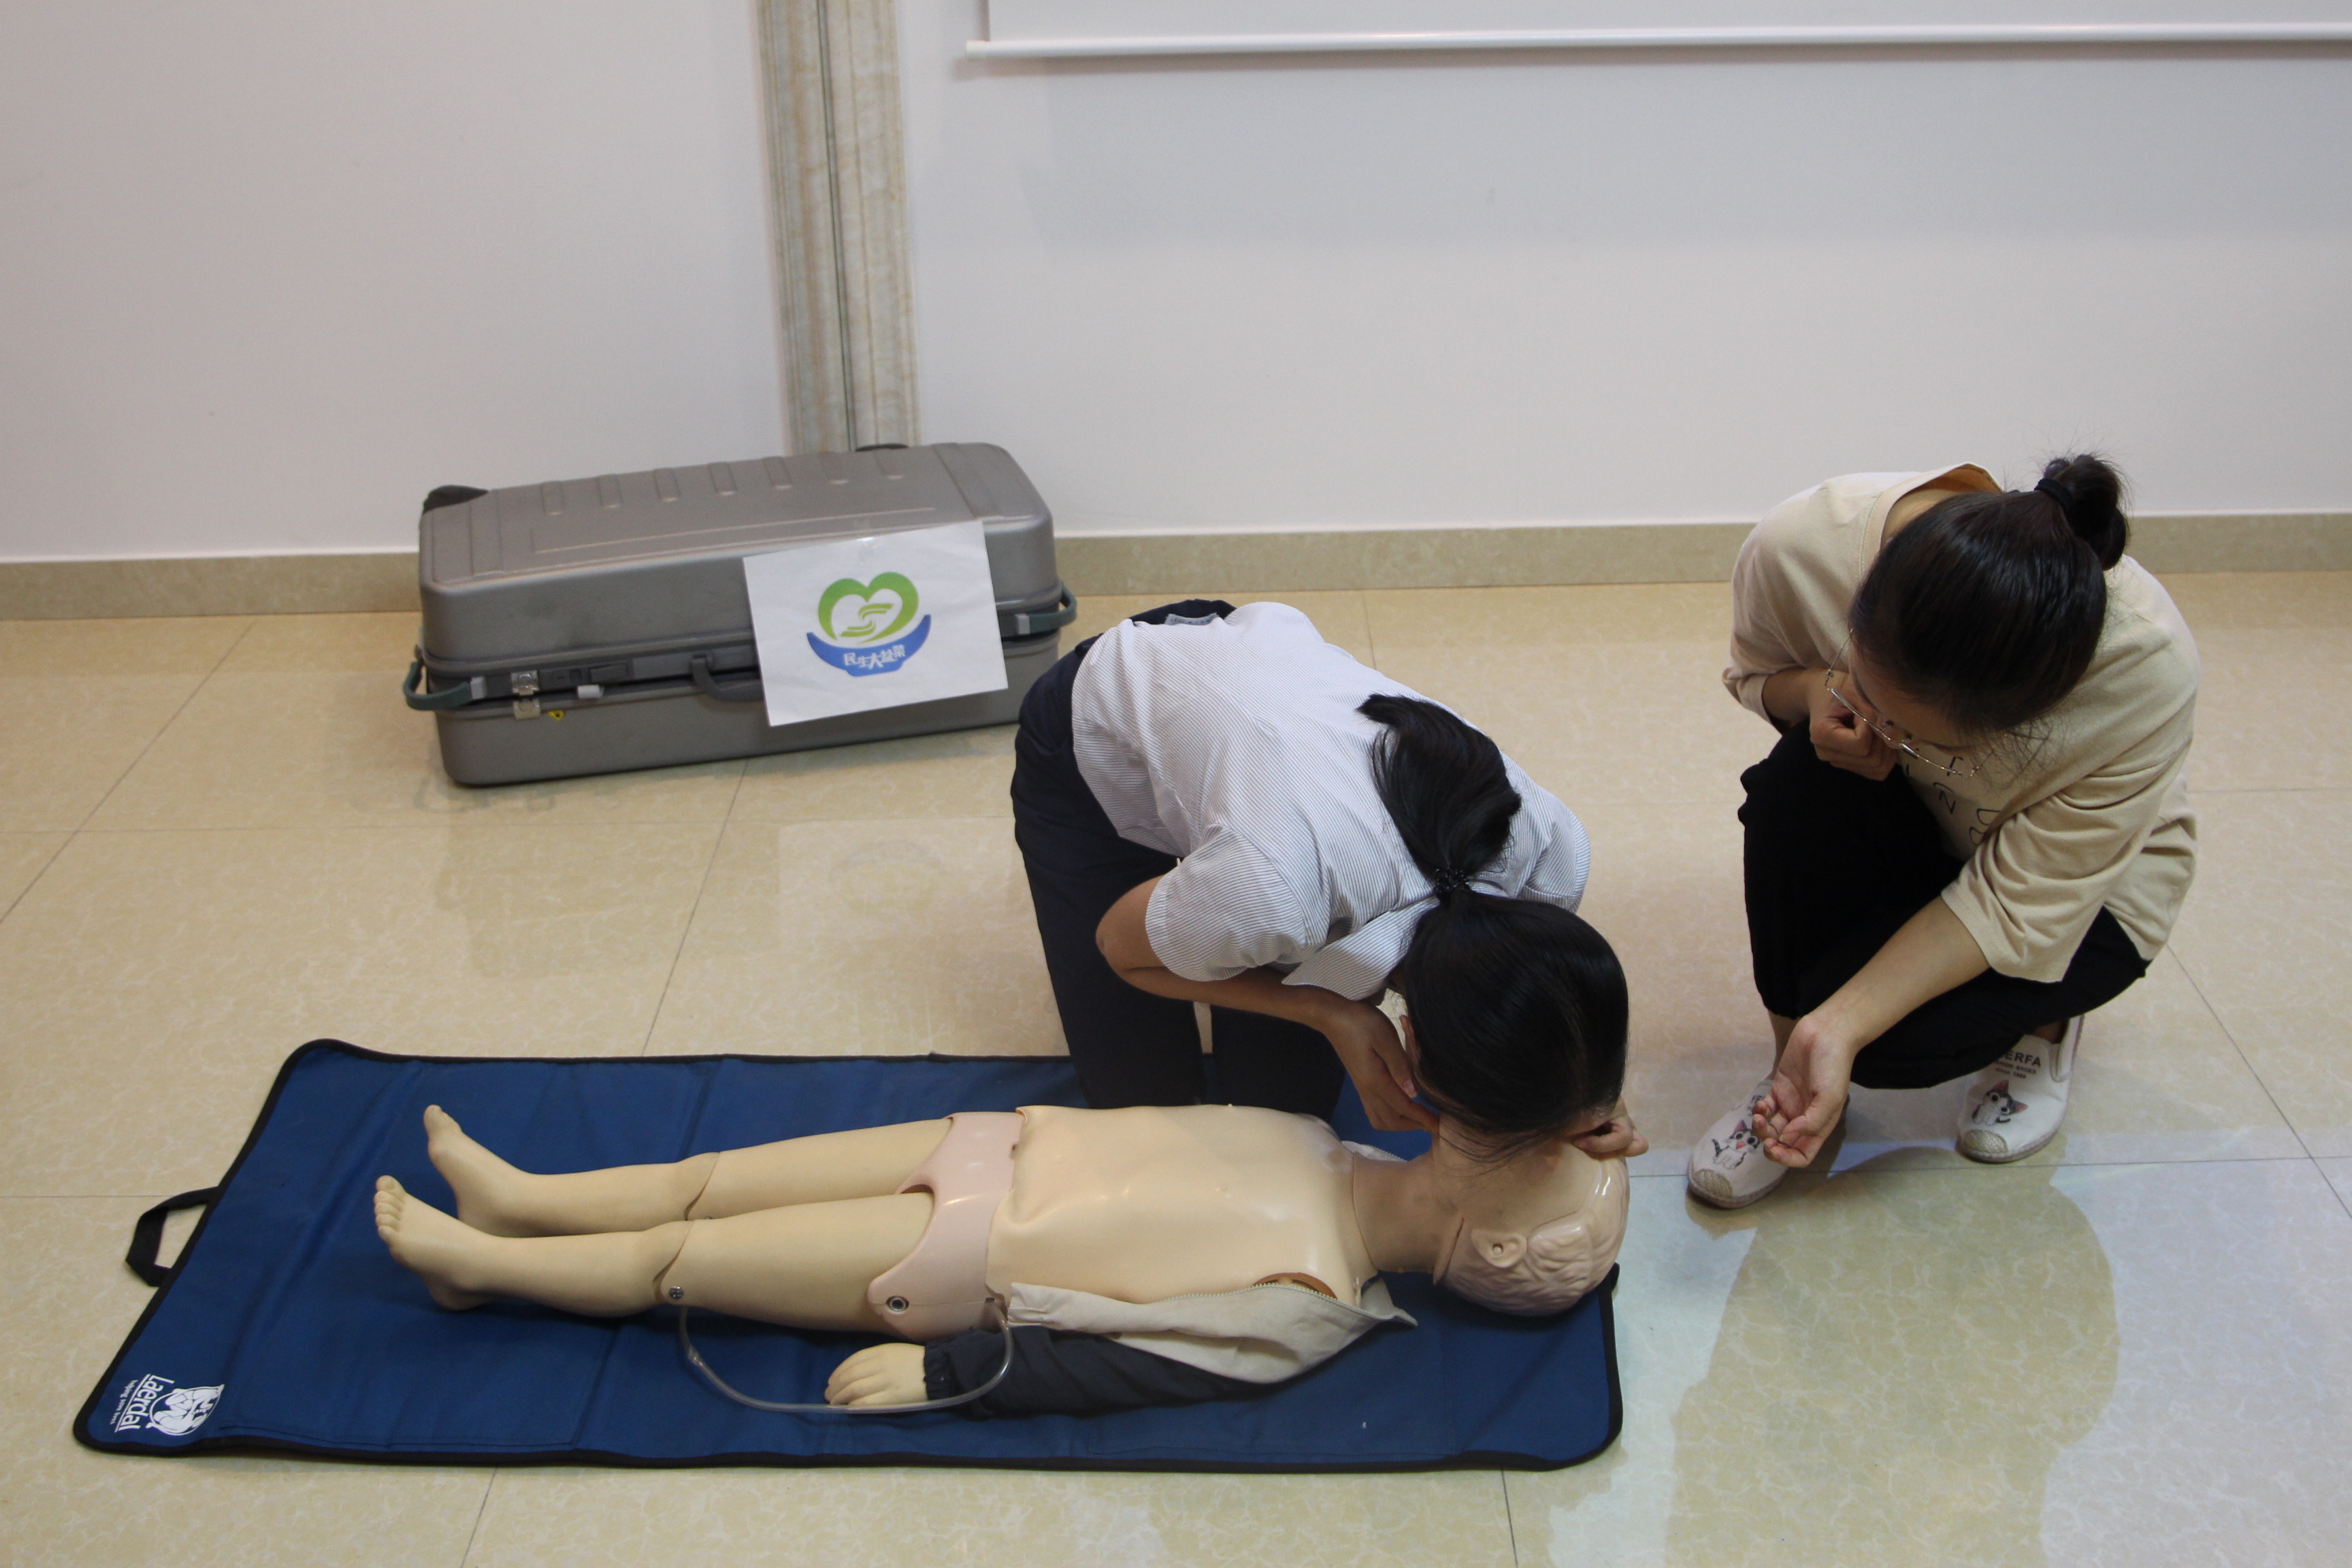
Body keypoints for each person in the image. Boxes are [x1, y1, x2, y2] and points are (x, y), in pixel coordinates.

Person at [371, 1092, 1630, 1418]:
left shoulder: (1310, 1303)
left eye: (1542, 1157)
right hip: (999, 1141)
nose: (1536, 1126)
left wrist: (949, 1373)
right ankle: (523, 1199)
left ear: (1493, 1238)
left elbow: (1131, 1364)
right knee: (713, 1176)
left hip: (963, 1248)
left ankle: (480, 1267)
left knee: (679, 1256)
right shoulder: (1337, 1133)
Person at [1688, 455, 2199, 1209]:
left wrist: (1845, 1025)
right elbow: (1754, 675)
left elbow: (2015, 901)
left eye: (1926, 738)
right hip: (1923, 823)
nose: (1892, 735)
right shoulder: (1802, 550)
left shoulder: (2143, 667)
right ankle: (1791, 1072)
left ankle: (2046, 1028)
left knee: (1890, 1049)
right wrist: (1818, 692)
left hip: (2081, 891)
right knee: (1793, 779)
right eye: (1872, 692)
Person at [1013, 598, 1644, 1162]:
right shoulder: (1276, 891)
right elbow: (1119, 944)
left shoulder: (1553, 853)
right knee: (1140, 1104)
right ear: (1410, 1037)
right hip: (1104, 710)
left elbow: (1550, 999)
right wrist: (1325, 1009)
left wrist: (1585, 1096)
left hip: (1266, 726)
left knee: (1285, 1112)